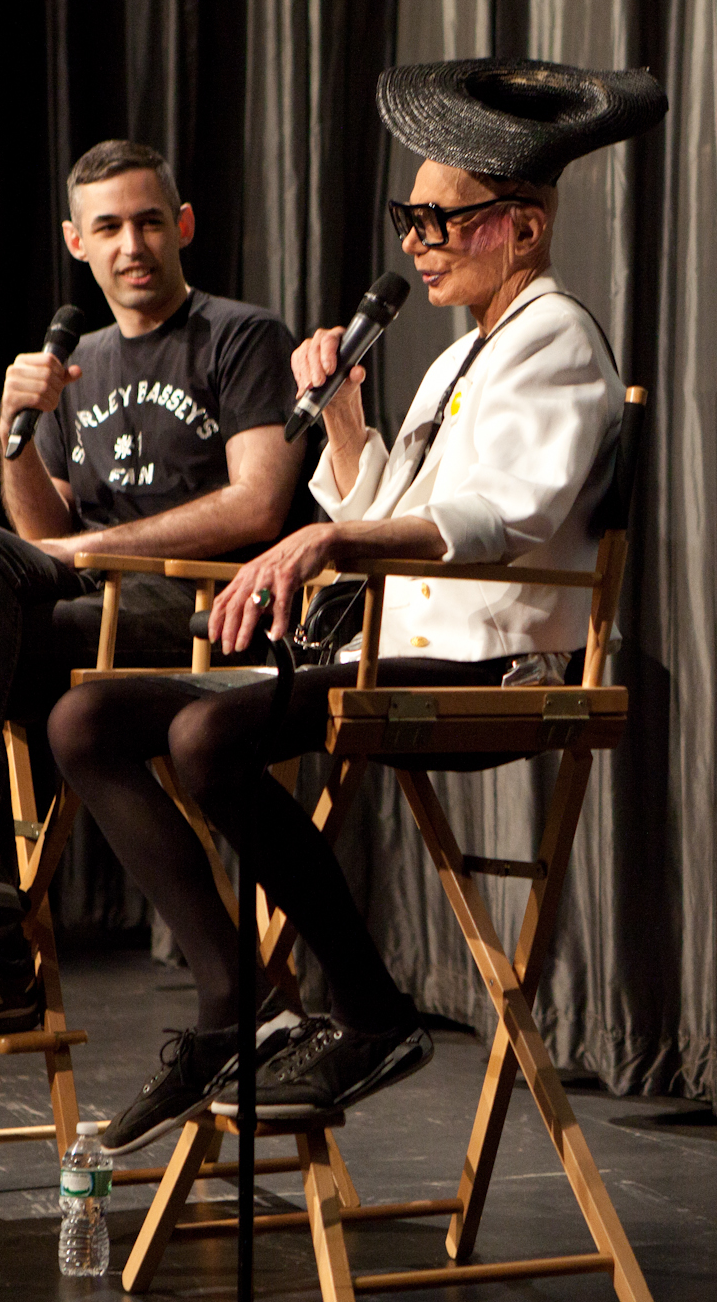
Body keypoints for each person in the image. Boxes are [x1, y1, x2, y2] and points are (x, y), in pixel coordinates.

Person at [46, 59, 666, 1153]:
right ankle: (235, 1004)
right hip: (393, 644)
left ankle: (371, 1009)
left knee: (208, 734)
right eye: (407, 218)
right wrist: (341, 428)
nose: (415, 241)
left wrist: (326, 533)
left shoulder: (556, 336)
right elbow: (396, 502)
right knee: (85, 720)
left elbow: (502, 520)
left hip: (490, 663)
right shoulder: (458, 358)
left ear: (519, 227)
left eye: (440, 220)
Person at [0, 140, 309, 1046]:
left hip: (203, 614)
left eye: (148, 221)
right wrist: (13, 433)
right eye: (108, 227)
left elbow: (260, 503)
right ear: (77, 241)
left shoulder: (240, 335)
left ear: (181, 226)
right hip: (97, 613)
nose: (132, 244)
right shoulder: (79, 362)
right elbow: (34, 538)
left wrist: (102, 544)